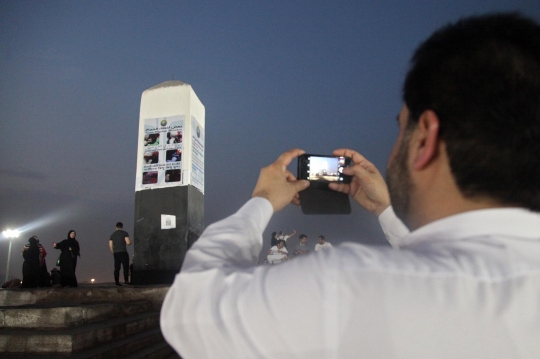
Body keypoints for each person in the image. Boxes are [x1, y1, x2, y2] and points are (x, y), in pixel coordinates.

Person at [160, 13, 540, 358]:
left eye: (400, 129)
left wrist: (261, 201)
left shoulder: (349, 285)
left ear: (424, 139)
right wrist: (384, 211)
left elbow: (190, 310)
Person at [109, 222, 132, 286]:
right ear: (122, 227)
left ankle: (117, 281)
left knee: (117, 268)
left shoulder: (112, 235)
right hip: (123, 252)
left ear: (116, 227)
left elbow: (110, 245)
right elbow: (128, 242)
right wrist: (131, 242)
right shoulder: (125, 233)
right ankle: (126, 280)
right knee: (125, 267)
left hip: (116, 253)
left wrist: (113, 252)